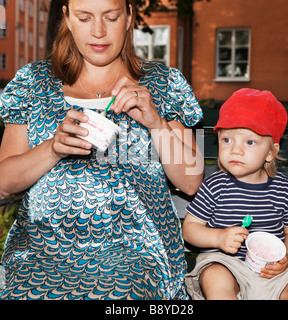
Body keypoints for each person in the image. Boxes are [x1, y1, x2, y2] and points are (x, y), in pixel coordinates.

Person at [0, 0, 204, 299]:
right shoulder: (34, 82)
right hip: (41, 251)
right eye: (84, 18)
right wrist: (52, 149)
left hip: (135, 252)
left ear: (129, 17)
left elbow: (189, 181)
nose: (98, 31)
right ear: (67, 19)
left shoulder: (163, 84)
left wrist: (156, 122)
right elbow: (4, 180)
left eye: (110, 17)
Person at [183, 88, 288, 300]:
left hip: (272, 274)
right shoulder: (215, 186)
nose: (235, 150)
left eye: (250, 142)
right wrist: (218, 237)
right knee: (215, 276)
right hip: (227, 266)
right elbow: (189, 229)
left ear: (270, 152)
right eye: (227, 140)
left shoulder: (284, 190)